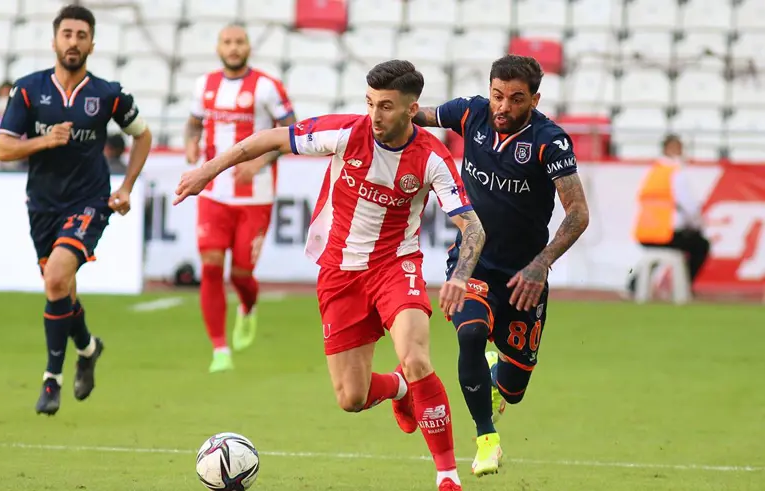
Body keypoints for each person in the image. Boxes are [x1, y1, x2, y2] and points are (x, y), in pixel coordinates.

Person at [175, 59, 486, 491]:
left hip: (396, 266)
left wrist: (460, 276)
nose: (375, 115)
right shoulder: (345, 132)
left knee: (417, 358)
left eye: (387, 106)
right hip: (339, 272)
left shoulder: (432, 157)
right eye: (370, 103)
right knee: (351, 397)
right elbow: (267, 139)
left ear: (411, 109)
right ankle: (400, 389)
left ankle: (447, 476)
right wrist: (207, 170)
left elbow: (472, 226)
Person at [413, 54, 590, 476]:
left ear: (534, 100)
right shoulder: (470, 113)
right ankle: (486, 439)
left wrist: (541, 264)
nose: (503, 107)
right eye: (497, 95)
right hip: (473, 262)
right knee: (471, 334)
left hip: (524, 276)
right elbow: (416, 114)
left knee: (514, 388)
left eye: (515, 99)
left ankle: (498, 376)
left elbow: (578, 213)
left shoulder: (550, 142)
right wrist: (382, 113)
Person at [0, 4, 153, 416]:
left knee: (55, 278)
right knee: (61, 289)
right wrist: (44, 141)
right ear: (54, 41)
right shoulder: (28, 90)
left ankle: (52, 380)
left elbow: (143, 135)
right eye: (67, 34)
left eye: (81, 36)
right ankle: (87, 347)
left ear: (92, 45)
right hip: (43, 206)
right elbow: (3, 148)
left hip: (89, 202)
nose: (73, 42)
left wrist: (126, 187)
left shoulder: (107, 94)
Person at [185, 23, 297, 373]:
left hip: (255, 196)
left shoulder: (267, 86)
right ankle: (219, 349)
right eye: (227, 42)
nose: (233, 48)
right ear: (218, 47)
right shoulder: (203, 85)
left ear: (248, 47)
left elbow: (292, 132)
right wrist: (190, 142)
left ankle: (248, 306)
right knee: (210, 265)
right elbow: (193, 122)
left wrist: (259, 163)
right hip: (213, 192)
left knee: (241, 275)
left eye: (239, 42)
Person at [628, 134, 710, 295]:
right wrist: (698, 226)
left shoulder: (653, 172)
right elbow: (690, 207)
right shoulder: (676, 173)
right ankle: (682, 287)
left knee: (658, 255)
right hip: (665, 233)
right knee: (700, 245)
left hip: (644, 233)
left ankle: (635, 285)